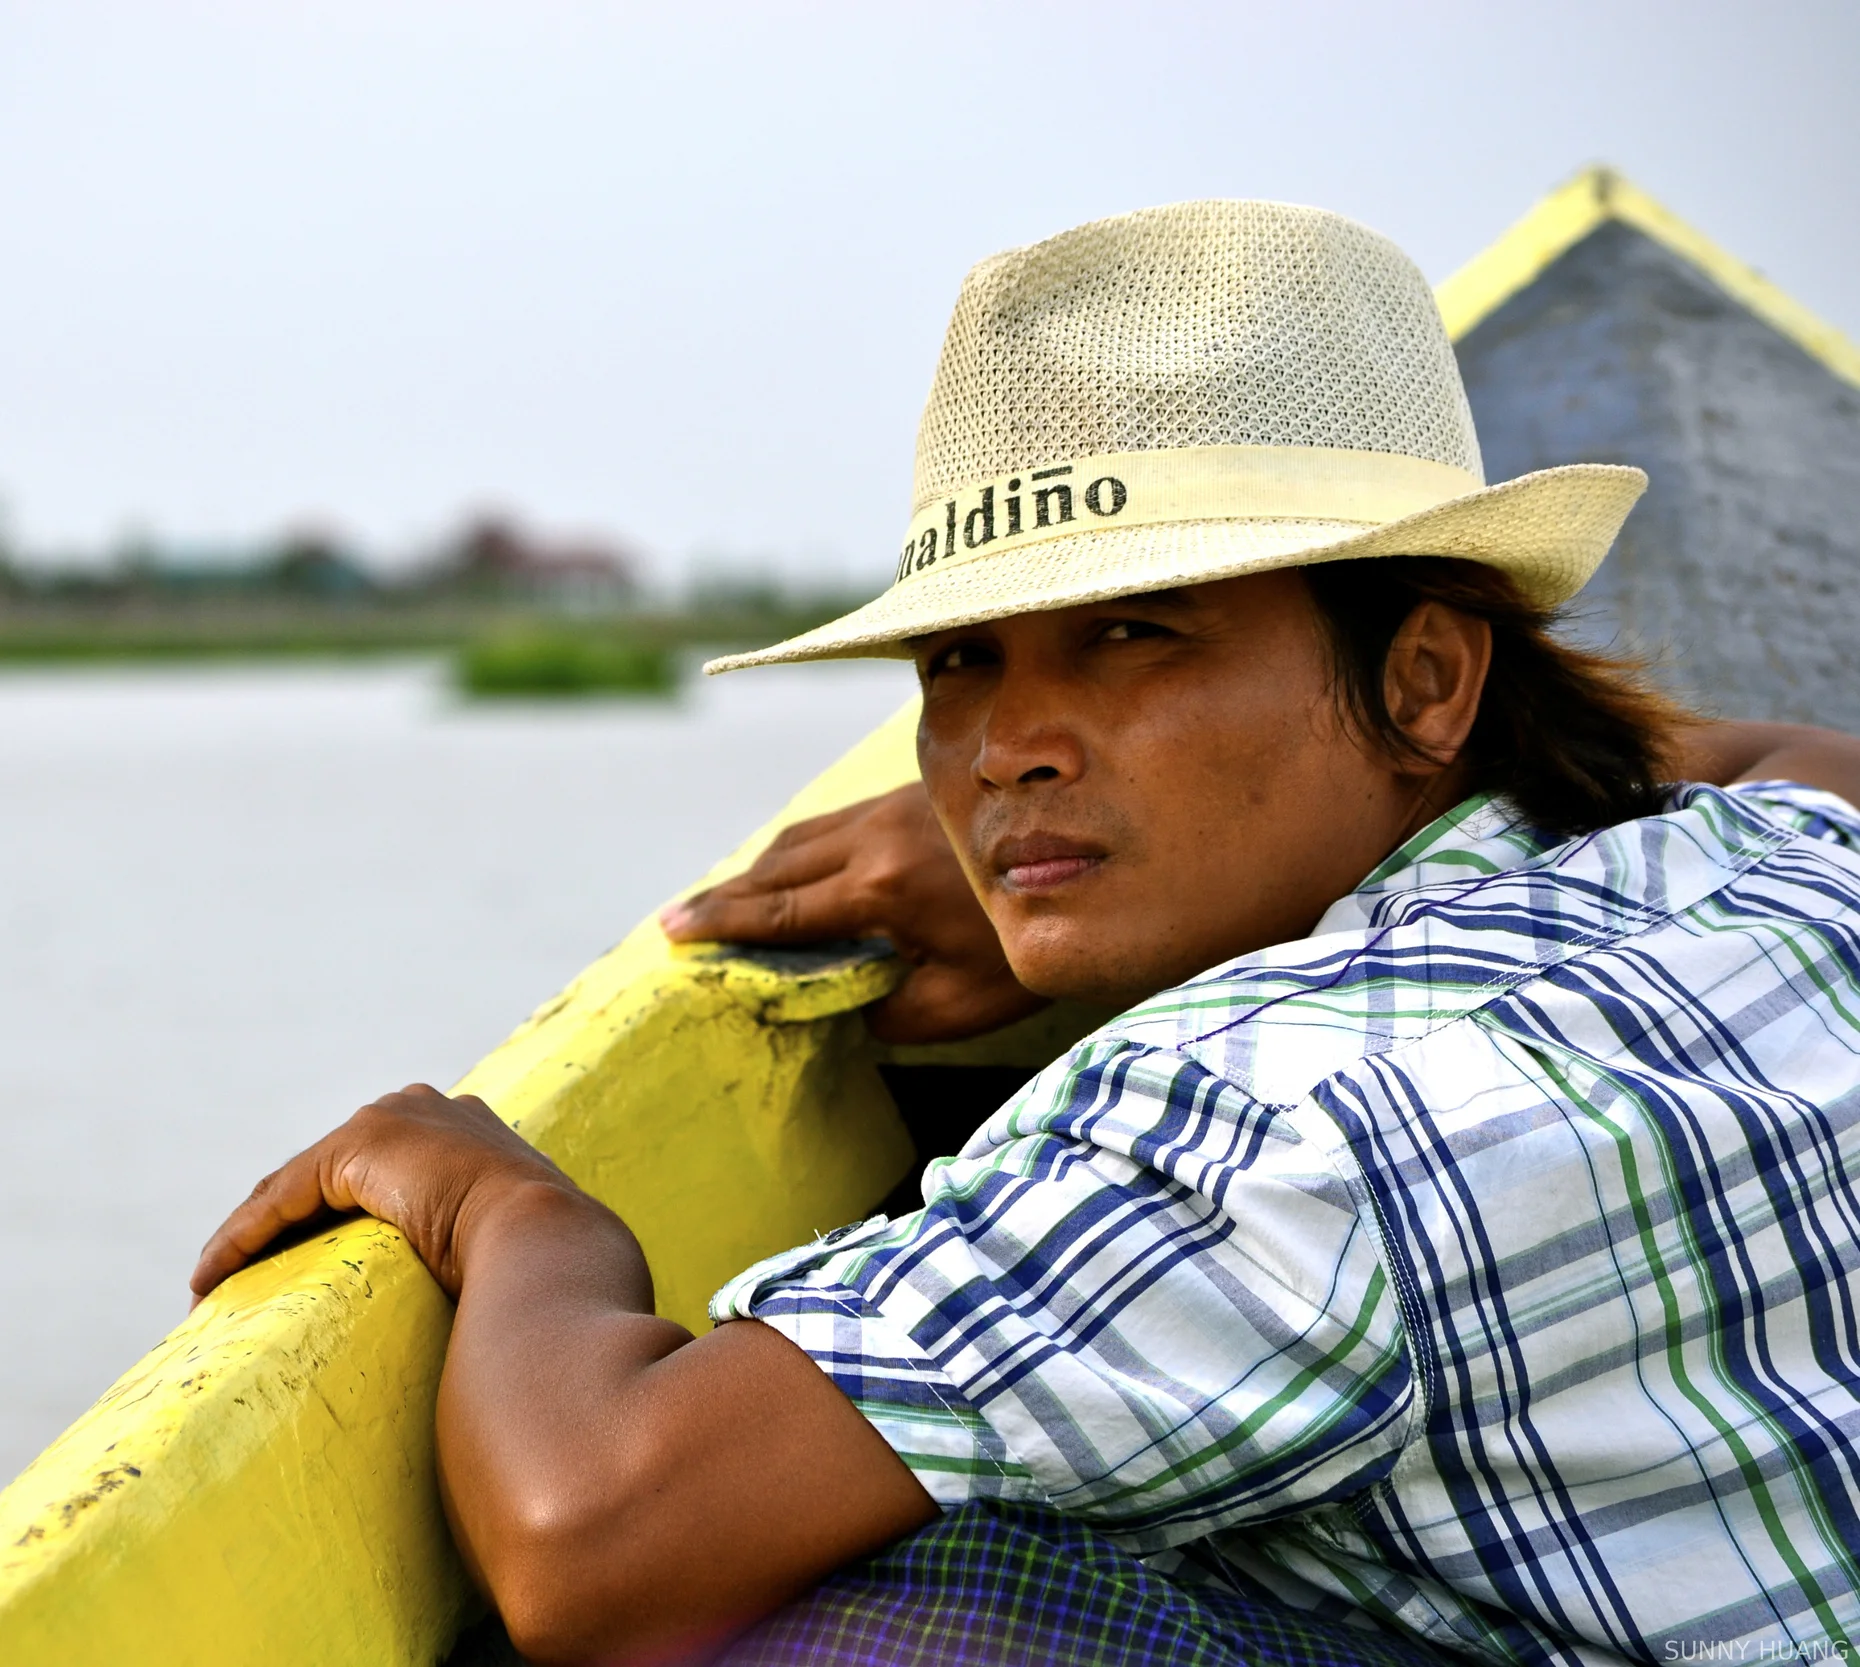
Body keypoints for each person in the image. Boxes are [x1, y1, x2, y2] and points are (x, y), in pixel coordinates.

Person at [191, 201, 1860, 1665]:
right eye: (961, 663)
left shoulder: (1257, 1121)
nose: (1005, 750)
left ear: (1427, 677)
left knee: (907, 1601)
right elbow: (1792, 752)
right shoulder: (1776, 860)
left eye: (1134, 634)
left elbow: (589, 1538)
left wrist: (515, 1211)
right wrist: (1122, 881)